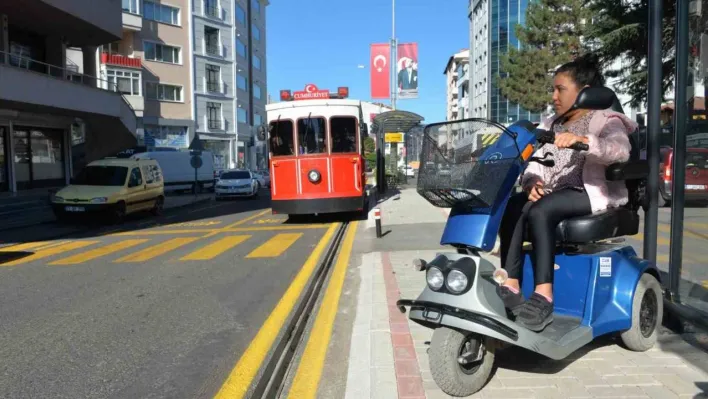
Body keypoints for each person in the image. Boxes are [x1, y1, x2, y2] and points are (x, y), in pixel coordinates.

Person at [496, 55, 638, 332]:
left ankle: (544, 295)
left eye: (560, 89)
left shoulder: (606, 120)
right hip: (553, 192)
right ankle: (511, 284)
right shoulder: (549, 124)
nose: (554, 96)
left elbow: (620, 150)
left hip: (589, 191)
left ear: (584, 92)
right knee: (513, 205)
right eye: (553, 89)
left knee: (541, 211)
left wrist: (584, 142)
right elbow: (532, 160)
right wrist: (531, 182)